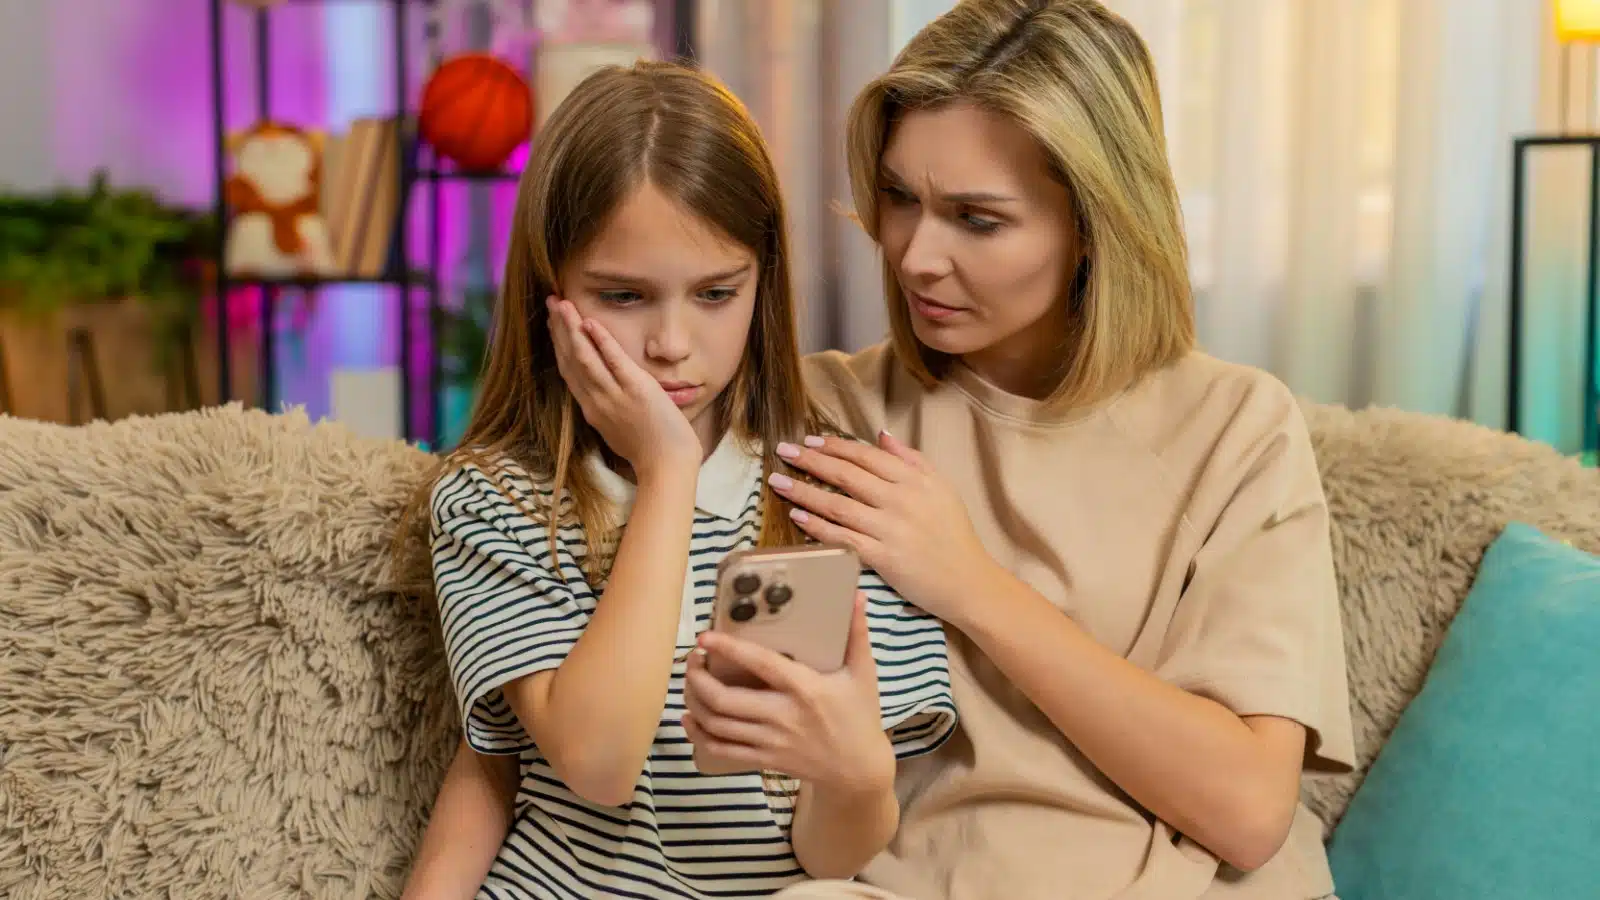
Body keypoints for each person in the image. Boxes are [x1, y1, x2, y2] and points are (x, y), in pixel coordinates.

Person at [687, 2, 1356, 898]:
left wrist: (967, 581)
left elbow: (1245, 809)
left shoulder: (1237, 428)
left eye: (978, 218)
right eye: (899, 199)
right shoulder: (825, 414)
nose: (916, 255)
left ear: (1095, 223)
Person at [399, 61, 957, 900]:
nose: (670, 343)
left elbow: (834, 855)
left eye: (714, 293)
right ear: (551, 295)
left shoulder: (836, 492)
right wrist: (667, 477)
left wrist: (856, 772)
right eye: (623, 296)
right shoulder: (495, 500)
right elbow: (596, 763)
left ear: (761, 283)